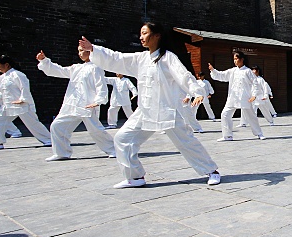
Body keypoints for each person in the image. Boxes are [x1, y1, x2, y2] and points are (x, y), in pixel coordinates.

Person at [79, 23, 221, 188]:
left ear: (157, 35)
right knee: (122, 139)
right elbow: (116, 59)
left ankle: (211, 171)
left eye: (144, 33)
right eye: (140, 33)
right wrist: (93, 49)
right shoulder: (140, 59)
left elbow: (184, 76)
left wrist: (197, 92)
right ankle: (135, 177)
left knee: (186, 142)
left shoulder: (168, 57)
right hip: (144, 111)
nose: (141, 37)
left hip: (166, 111)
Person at [37, 46, 117, 161]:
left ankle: (113, 150)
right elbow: (59, 70)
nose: (79, 53)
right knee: (57, 126)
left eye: (81, 50)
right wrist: (44, 60)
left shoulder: (96, 68)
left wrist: (98, 101)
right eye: (78, 51)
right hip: (72, 105)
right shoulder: (76, 68)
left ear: (90, 52)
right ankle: (61, 152)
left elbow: (101, 85)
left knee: (96, 130)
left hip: (88, 105)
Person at [0, 55, 51, 150]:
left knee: (33, 123)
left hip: (22, 105)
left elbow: (24, 87)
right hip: (8, 105)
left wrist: (23, 99)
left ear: (7, 65)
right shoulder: (2, 77)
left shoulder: (18, 74)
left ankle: (49, 140)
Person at [209, 51, 265, 141]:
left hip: (245, 98)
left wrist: (254, 95)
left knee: (251, 116)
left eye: (236, 59)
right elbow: (221, 75)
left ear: (242, 59)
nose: (235, 61)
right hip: (233, 98)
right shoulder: (232, 71)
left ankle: (259, 133)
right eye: (234, 59)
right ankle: (227, 135)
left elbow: (255, 83)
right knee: (225, 115)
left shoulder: (248, 71)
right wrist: (213, 70)